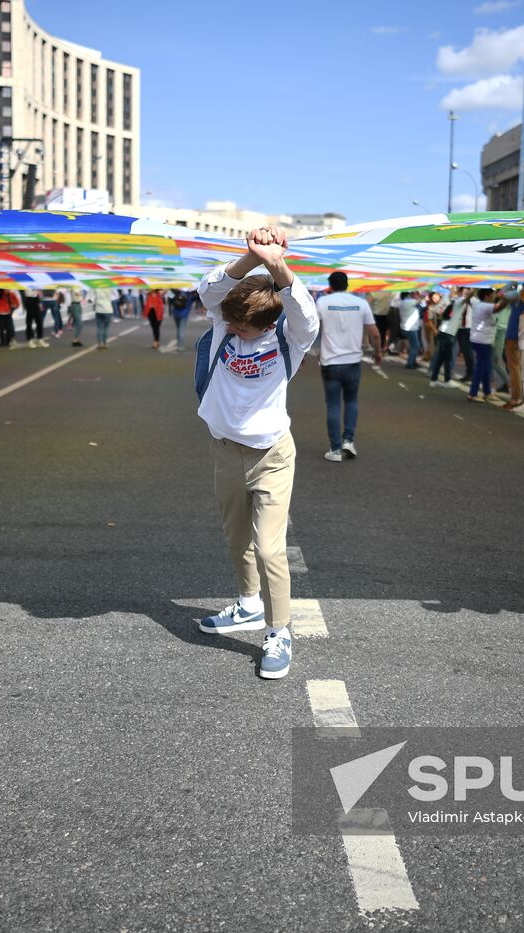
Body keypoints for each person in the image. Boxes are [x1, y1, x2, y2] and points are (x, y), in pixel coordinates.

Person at [196, 226, 319, 681]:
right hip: (225, 449)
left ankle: (278, 630)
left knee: (269, 549)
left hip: (271, 454)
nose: (228, 328)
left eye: (239, 326)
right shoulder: (222, 322)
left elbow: (303, 311)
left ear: (265, 325)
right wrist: (251, 258)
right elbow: (210, 291)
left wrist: (278, 266)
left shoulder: (290, 339)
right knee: (235, 537)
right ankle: (248, 605)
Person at [315, 271, 380, 461]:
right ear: (347, 284)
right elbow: (374, 333)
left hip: (330, 362)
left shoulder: (322, 303)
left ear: (330, 285)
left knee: (333, 405)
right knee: (351, 401)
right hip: (353, 361)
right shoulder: (361, 304)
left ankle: (335, 450)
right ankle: (348, 441)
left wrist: (303, 351)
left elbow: (311, 328)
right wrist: (378, 352)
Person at [464, 288, 498, 402]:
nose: (494, 296)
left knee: (486, 367)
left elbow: (467, 299)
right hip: (484, 341)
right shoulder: (485, 306)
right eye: (492, 295)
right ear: (487, 296)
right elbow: (499, 306)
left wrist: (475, 289)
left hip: (478, 339)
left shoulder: (477, 303)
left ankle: (487, 392)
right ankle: (472, 393)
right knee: (481, 367)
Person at [427, 286, 462, 388]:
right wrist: (434, 330)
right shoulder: (440, 305)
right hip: (446, 331)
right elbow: (433, 319)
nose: (435, 297)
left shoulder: (446, 301)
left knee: (441, 356)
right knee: (446, 356)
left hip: (443, 330)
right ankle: (446, 379)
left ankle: (434, 378)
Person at [500, 287, 524, 409]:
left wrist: (511, 283)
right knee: (521, 369)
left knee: (515, 369)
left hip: (513, 337)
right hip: (523, 337)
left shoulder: (520, 298)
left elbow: (502, 294)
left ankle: (516, 399)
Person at [398, 292, 422, 368]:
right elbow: (420, 300)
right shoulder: (409, 302)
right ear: (408, 295)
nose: (415, 296)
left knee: (413, 345)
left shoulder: (402, 303)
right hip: (411, 328)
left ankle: (413, 361)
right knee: (415, 346)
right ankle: (410, 363)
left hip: (405, 327)